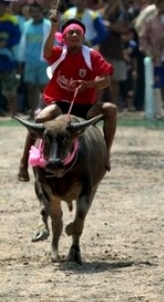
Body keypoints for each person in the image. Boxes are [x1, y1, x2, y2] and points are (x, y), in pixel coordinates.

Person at [17, 13, 117, 182]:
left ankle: (106, 153)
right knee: (40, 118)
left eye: (78, 32)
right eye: (70, 33)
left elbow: (106, 80)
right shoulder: (58, 53)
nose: (75, 35)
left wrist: (87, 84)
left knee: (110, 109)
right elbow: (46, 51)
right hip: (61, 105)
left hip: (86, 106)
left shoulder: (92, 55)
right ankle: (23, 162)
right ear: (63, 38)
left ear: (83, 36)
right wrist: (54, 27)